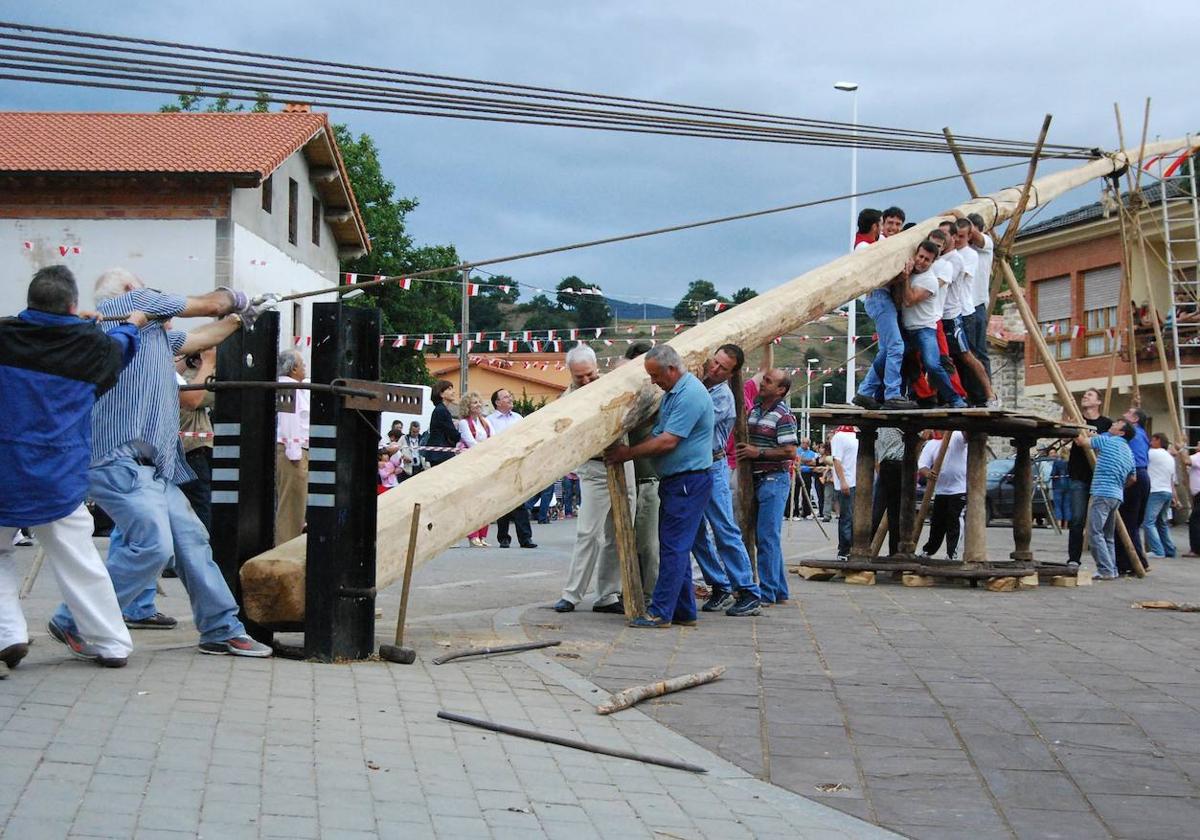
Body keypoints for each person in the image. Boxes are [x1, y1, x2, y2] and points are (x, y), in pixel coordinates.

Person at [49, 268, 272, 658]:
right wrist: (238, 299)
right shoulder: (132, 303)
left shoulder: (151, 337)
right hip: (120, 461)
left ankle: (221, 627)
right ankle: (75, 618)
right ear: (135, 292)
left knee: (192, 543)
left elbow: (203, 336)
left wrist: (239, 321)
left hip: (150, 467)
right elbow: (208, 305)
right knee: (152, 547)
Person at [0, 266, 143, 670]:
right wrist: (131, 324)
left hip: (4, 473)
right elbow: (119, 350)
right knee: (79, 561)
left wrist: (68, 325)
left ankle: (7, 634)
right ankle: (112, 644)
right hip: (57, 477)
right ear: (72, 305)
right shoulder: (92, 348)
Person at [606, 344, 714, 628]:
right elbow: (658, 430)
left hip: (688, 480)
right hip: (678, 480)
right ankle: (684, 611)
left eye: (656, 375)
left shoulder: (689, 395)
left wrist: (627, 454)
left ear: (672, 369)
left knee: (674, 548)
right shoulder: (674, 393)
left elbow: (668, 440)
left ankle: (660, 612)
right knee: (675, 545)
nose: (654, 381)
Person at [555, 346, 632, 613]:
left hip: (624, 462)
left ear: (597, 368)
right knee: (588, 532)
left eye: (589, 375)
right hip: (594, 467)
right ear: (571, 375)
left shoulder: (615, 385)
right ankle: (572, 594)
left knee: (619, 532)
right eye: (580, 377)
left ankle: (609, 594)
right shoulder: (567, 400)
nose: (586, 381)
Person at [689, 344, 762, 617]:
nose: (715, 369)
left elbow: (694, 419)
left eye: (723, 368)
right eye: (715, 362)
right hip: (695, 467)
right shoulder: (701, 385)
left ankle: (747, 590)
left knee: (724, 529)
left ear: (732, 373)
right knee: (695, 532)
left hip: (713, 465)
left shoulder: (722, 397)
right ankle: (719, 585)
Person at [737, 368, 797, 605]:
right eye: (765, 379)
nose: (764, 383)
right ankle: (779, 589)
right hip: (758, 478)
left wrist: (757, 452)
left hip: (774, 479)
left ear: (781, 390)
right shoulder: (756, 409)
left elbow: (790, 451)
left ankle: (768, 591)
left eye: (769, 381)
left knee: (766, 537)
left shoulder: (783, 415)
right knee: (767, 537)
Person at [854, 207, 918, 412]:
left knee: (886, 350)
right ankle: (892, 393)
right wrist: (901, 276)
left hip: (885, 298)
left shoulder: (874, 243)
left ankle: (865, 391)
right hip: (879, 296)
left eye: (896, 224)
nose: (889, 228)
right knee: (896, 346)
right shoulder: (866, 247)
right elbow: (876, 274)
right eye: (885, 223)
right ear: (877, 226)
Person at [900, 240, 969, 409]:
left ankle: (955, 399)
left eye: (927, 259)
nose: (922, 262)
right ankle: (920, 397)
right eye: (921, 257)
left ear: (933, 262)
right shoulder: (913, 273)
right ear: (915, 255)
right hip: (908, 329)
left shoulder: (929, 279)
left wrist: (905, 278)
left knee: (932, 364)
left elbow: (909, 300)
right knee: (901, 362)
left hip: (925, 329)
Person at [623, 340, 660, 597]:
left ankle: (648, 594)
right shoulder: (623, 393)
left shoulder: (658, 395)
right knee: (625, 541)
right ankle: (628, 590)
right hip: (625, 478)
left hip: (648, 477)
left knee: (647, 544)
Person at [1079, 417, 1136, 580]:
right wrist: (1118, 484)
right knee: (1108, 535)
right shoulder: (1128, 452)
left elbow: (1082, 442)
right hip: (1117, 495)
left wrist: (1079, 431)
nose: (1113, 424)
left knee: (1094, 533)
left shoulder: (1107, 441)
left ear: (1121, 432)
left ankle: (1105, 569)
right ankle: (1112, 569)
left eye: (1117, 424)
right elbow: (1133, 478)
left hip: (1102, 492)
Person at [1066, 388, 1110, 569]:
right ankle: (1074, 559)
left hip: (1100, 476)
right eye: (1084, 394)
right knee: (1077, 519)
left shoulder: (1106, 424)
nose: (1085, 396)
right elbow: (1073, 438)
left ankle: (1108, 561)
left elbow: (1109, 445)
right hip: (1079, 475)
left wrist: (1095, 438)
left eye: (1090, 395)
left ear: (1098, 402)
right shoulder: (1077, 420)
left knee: (1104, 522)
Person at [488, 388, 536, 548]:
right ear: (497, 402)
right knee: (502, 501)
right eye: (506, 397)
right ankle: (503, 537)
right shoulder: (490, 420)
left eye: (510, 395)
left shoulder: (518, 418)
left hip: (517, 463)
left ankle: (525, 538)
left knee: (520, 501)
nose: (510, 398)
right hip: (499, 465)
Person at [177, 348, 215, 532]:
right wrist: (208, 363)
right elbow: (196, 398)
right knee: (199, 508)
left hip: (183, 452)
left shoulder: (182, 375)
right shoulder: (189, 381)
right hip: (191, 453)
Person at [275, 348, 309, 546]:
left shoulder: (299, 387)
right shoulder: (287, 389)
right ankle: (285, 549)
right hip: (293, 453)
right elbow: (289, 422)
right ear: (294, 368)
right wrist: (294, 454)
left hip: (300, 451)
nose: (305, 368)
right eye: (302, 364)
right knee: (291, 508)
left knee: (298, 506)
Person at [918, 431, 968, 560]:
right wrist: (928, 473)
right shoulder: (931, 444)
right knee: (937, 524)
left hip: (959, 489)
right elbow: (922, 465)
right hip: (941, 490)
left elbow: (967, 437)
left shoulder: (957, 435)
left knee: (954, 521)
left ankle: (952, 554)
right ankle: (928, 551)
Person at [1116, 406, 1152, 574]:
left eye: (1128, 413)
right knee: (1134, 523)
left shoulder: (1131, 433)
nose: (1124, 414)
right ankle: (1136, 562)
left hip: (1134, 477)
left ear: (1135, 419)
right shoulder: (1143, 434)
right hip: (1144, 477)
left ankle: (1130, 562)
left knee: (1125, 522)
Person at [455, 391, 493, 547]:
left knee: (486, 499)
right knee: (473, 500)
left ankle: (483, 535)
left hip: (486, 462)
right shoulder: (464, 423)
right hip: (472, 463)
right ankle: (473, 535)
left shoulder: (485, 422)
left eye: (479, 402)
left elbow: (494, 438)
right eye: (474, 403)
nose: (478, 405)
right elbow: (470, 442)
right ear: (467, 407)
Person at [966, 213, 995, 377]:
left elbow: (973, 233)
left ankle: (986, 390)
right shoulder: (962, 250)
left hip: (977, 305)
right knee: (965, 352)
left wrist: (958, 215)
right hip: (961, 307)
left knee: (979, 351)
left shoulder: (986, 244)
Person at [1143, 432, 1178, 558]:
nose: (1150, 442)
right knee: (1162, 523)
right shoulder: (1169, 457)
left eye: (1152, 439)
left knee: (1148, 522)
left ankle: (1158, 551)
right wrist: (1175, 497)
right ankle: (1169, 550)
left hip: (1155, 491)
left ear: (1157, 440)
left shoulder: (1152, 453)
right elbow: (1172, 480)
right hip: (1167, 491)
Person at [872, 426, 905, 557]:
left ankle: (893, 552)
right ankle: (894, 552)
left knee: (882, 512)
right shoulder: (892, 425)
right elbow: (924, 435)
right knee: (893, 514)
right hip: (894, 465)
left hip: (891, 464)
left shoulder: (881, 427)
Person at [830, 425, 858, 559]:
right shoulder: (839, 436)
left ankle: (852, 547)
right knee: (846, 517)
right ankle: (844, 550)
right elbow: (836, 459)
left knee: (854, 518)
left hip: (858, 481)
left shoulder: (857, 434)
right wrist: (842, 481)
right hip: (847, 482)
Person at [424, 380, 461, 468]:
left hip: (439, 454)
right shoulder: (442, 410)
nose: (453, 391)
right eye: (449, 389)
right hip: (441, 454)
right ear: (441, 394)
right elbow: (452, 433)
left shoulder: (440, 409)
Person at [1050, 448, 1071, 531]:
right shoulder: (1070, 463)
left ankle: (1059, 523)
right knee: (1067, 505)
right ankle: (1066, 524)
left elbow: (1053, 474)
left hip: (1058, 485)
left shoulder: (1057, 462)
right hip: (1068, 485)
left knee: (1058, 505)